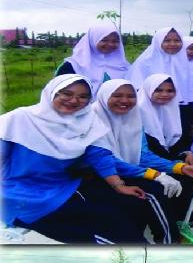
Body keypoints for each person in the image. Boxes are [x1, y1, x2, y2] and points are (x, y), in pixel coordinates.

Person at [1, 74, 146, 243]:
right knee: (90, 234)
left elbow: (100, 156)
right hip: (19, 192)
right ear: (52, 93)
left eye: (83, 96)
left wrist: (119, 186)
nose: (74, 101)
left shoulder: (87, 121)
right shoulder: (20, 119)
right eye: (67, 94)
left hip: (63, 188)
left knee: (118, 218)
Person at [92, 79, 193, 242]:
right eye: (117, 95)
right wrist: (156, 174)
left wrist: (179, 167)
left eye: (130, 96)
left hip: (130, 169)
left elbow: (142, 154)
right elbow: (106, 160)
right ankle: (169, 240)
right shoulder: (94, 120)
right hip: (101, 176)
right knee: (154, 193)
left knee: (183, 178)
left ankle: (189, 224)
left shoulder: (132, 117)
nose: (125, 101)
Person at [127, 27, 193, 148]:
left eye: (177, 40)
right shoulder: (145, 62)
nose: (172, 44)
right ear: (158, 41)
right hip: (150, 112)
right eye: (167, 40)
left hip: (179, 111)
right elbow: (137, 89)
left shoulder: (183, 62)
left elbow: (188, 92)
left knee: (178, 144)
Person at [56, 24, 130, 93]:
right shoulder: (73, 66)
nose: (110, 44)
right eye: (104, 40)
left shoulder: (124, 66)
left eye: (115, 41)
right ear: (93, 40)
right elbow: (60, 93)